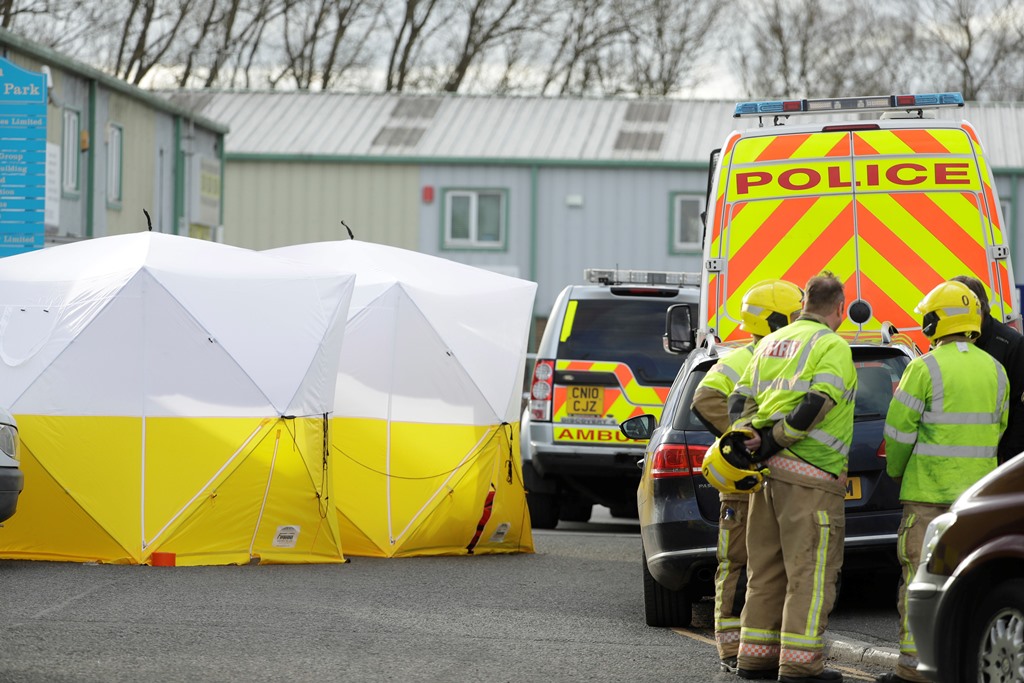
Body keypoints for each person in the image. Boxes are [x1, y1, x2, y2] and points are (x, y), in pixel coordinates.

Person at [874, 280, 1007, 683]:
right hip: (978, 502)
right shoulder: (995, 369)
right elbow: (999, 427)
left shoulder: (924, 368)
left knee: (919, 584)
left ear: (936, 322)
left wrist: (896, 472)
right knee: (969, 584)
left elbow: (898, 432)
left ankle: (912, 671)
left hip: (927, 498)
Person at [727, 270, 856, 683]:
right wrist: (776, 439)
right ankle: (801, 667)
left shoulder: (768, 344)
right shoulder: (833, 346)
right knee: (810, 574)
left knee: (764, 570)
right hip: (811, 479)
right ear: (839, 308)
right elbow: (817, 404)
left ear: (803, 304)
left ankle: (755, 660)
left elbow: (737, 399)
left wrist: (751, 438)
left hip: (766, 481)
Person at [691, 278, 804, 674]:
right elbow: (704, 399)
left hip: (775, 477)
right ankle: (730, 648)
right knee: (737, 560)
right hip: (747, 479)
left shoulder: (778, 354)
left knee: (770, 566)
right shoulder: (742, 358)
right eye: (794, 315)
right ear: (774, 319)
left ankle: (762, 649)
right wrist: (743, 442)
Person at [950, 275, 1024, 464]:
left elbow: (1019, 406)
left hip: (997, 454)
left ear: (980, 308)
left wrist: (1008, 456)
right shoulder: (947, 337)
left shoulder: (1011, 343)